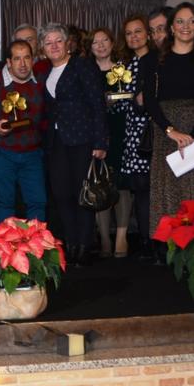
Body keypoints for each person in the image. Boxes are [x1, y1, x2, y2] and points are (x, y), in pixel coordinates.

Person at [141, 3, 194, 238]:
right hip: (166, 132)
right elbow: (150, 100)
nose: (186, 26)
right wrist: (171, 131)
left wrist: (192, 136)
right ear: (172, 28)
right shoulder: (153, 60)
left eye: (192, 21)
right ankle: (175, 251)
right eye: (180, 21)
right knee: (171, 194)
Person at [39, 23, 107, 265]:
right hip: (57, 142)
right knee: (61, 194)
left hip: (82, 139)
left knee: (82, 194)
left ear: (67, 43)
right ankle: (69, 243)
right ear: (43, 48)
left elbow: (97, 104)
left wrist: (100, 141)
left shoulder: (82, 66)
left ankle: (84, 246)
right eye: (49, 42)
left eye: (58, 41)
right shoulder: (45, 72)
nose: (54, 46)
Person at [109, 15, 153, 260]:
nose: (134, 36)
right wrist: (113, 100)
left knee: (150, 188)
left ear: (147, 34)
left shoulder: (155, 60)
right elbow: (124, 100)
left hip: (153, 132)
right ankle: (146, 241)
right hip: (132, 132)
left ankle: (153, 241)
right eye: (129, 33)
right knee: (138, 188)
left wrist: (140, 102)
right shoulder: (126, 66)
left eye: (138, 31)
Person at [0, 40, 47, 222]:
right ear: (8, 62)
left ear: (33, 59)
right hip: (3, 153)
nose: (22, 64)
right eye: (17, 59)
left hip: (33, 153)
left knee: (37, 202)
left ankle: (38, 249)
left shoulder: (41, 79)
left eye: (26, 58)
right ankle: (3, 249)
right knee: (4, 203)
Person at [87, 27, 118, 255]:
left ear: (112, 43)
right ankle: (104, 237)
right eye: (95, 42)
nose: (101, 45)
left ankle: (123, 236)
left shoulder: (123, 69)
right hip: (95, 134)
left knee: (122, 185)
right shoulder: (85, 72)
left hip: (120, 130)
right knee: (99, 183)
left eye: (104, 40)